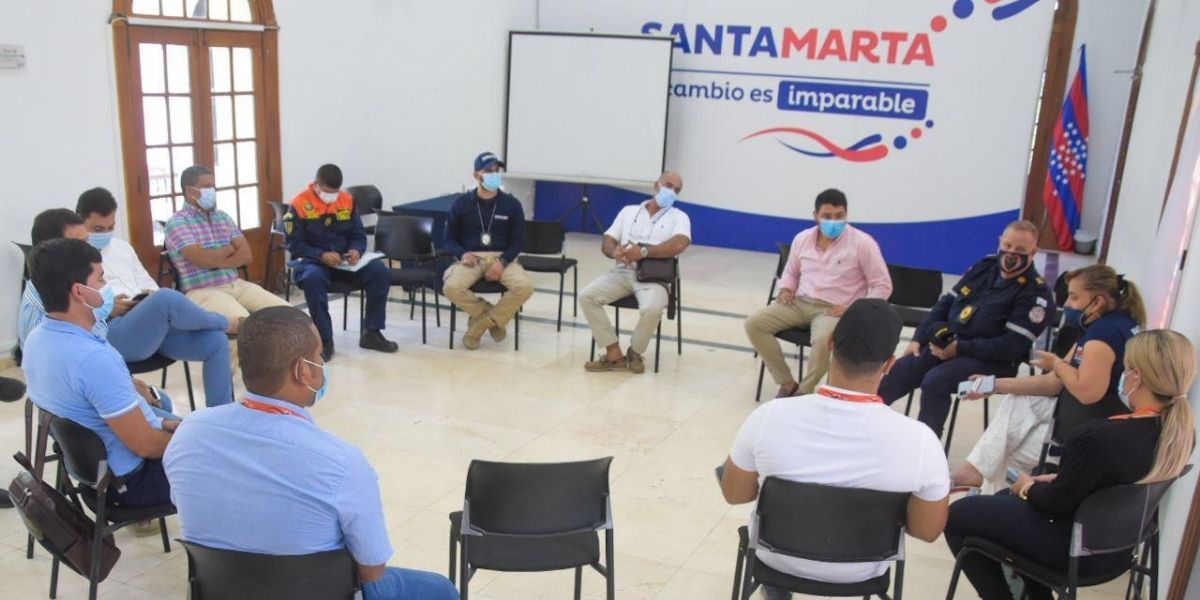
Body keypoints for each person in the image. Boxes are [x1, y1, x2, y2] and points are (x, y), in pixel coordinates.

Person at [163, 307, 457, 600]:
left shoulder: (189, 433)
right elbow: (372, 572)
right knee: (440, 589)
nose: (321, 365)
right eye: (318, 357)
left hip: (224, 591)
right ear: (302, 371)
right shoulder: (342, 463)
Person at [945, 329, 1196, 599]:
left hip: (1075, 549)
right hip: (1117, 548)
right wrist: (1058, 480)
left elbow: (1054, 503)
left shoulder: (1099, 438)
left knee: (958, 515)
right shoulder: (1178, 435)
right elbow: (1112, 480)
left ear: (1136, 377)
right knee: (1005, 500)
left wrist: (1027, 487)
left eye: (1125, 370)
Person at [721, 299, 949, 595]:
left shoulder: (770, 416)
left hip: (777, 559)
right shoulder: (921, 440)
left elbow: (734, 493)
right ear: (890, 364)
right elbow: (926, 531)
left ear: (830, 343)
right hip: (863, 569)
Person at [953, 265, 1144, 489]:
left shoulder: (1103, 336)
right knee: (1018, 402)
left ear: (1098, 301)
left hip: (1091, 429)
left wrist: (1057, 363)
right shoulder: (1115, 325)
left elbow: (1087, 393)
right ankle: (974, 476)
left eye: (1073, 297)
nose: (1067, 305)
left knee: (1009, 456)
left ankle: (977, 486)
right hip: (1081, 419)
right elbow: (1053, 382)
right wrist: (993, 384)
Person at [20, 208, 234, 407]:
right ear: (52, 251)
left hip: (128, 328)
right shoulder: (47, 311)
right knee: (166, 299)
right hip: (94, 396)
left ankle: (221, 419)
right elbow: (73, 370)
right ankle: (229, 323)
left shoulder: (81, 275)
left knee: (214, 341)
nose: (89, 248)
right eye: (80, 243)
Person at [23, 238, 181, 508]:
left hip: (98, 476)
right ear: (80, 292)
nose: (107, 288)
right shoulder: (92, 359)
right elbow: (147, 446)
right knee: (234, 460)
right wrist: (196, 442)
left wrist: (167, 424)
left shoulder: (37, 340)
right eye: (101, 279)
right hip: (132, 483)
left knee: (199, 431)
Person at [878, 220, 1055, 438]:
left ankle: (926, 449)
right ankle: (865, 429)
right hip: (949, 346)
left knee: (935, 382)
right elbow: (944, 305)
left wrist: (959, 348)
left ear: (1034, 252)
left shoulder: (1036, 294)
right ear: (1000, 241)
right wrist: (919, 337)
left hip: (992, 362)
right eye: (1008, 246)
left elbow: (1012, 346)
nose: (1011, 253)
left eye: (1020, 250)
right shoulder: (984, 268)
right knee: (901, 370)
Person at [744, 189, 892, 396]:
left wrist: (853, 309)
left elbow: (882, 285)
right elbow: (791, 272)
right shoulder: (802, 238)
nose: (834, 221)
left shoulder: (862, 243)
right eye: (827, 216)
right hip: (800, 301)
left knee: (823, 340)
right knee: (754, 324)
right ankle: (787, 384)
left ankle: (803, 392)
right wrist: (787, 288)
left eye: (839, 216)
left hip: (834, 309)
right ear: (815, 215)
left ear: (847, 214)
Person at [580, 171, 691, 373]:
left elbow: (680, 243)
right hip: (622, 272)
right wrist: (615, 251)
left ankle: (635, 351)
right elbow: (608, 240)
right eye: (668, 185)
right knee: (587, 296)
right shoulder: (629, 211)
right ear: (656, 185)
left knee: (653, 308)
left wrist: (643, 251)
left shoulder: (679, 217)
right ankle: (614, 354)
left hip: (654, 278)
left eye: (677, 190)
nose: (672, 191)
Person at [285, 164, 397, 361]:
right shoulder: (299, 204)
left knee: (379, 271)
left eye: (336, 192)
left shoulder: (346, 200)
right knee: (313, 279)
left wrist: (356, 250)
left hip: (344, 262)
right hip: (313, 263)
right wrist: (321, 255)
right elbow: (295, 245)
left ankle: (372, 332)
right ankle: (325, 341)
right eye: (328, 192)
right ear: (317, 185)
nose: (333, 196)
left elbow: (358, 234)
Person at [161, 169, 288, 331]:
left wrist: (215, 262)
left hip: (236, 284)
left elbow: (246, 255)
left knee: (290, 316)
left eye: (213, 186)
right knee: (245, 327)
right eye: (206, 187)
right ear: (189, 190)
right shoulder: (177, 222)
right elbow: (202, 260)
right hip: (202, 290)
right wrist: (228, 249)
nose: (212, 191)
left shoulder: (222, 217)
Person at [442, 152, 534, 350]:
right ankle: (489, 314)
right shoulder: (461, 204)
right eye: (489, 171)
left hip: (503, 257)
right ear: (477, 175)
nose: (494, 174)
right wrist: (462, 253)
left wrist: (502, 262)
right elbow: (448, 239)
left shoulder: (512, 204)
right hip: (471, 258)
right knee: (451, 288)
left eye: (496, 170)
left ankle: (480, 325)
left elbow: (518, 241)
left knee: (525, 287)